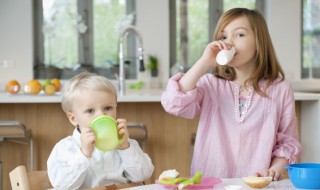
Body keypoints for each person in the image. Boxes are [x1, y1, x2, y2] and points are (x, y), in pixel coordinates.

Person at [161, 8, 301, 180]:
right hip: (211, 182)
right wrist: (204, 62)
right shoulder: (210, 84)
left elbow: (288, 143)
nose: (229, 43)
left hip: (255, 183)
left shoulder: (280, 89)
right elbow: (174, 104)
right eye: (223, 37)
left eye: (239, 35)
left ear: (259, 41)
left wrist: (274, 170)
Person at [47, 72, 154, 189]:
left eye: (108, 108)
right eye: (90, 111)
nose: (101, 116)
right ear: (73, 118)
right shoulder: (65, 148)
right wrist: (84, 153)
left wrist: (125, 147)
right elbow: (62, 186)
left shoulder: (124, 143)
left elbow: (144, 175)